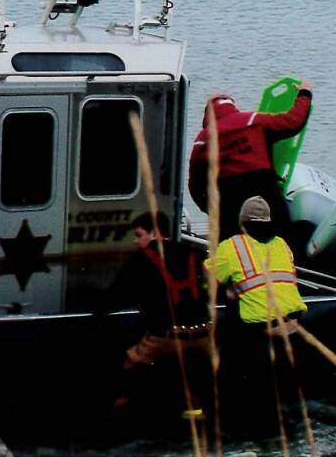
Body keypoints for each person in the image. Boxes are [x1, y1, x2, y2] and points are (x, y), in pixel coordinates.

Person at [208, 196, 309, 436]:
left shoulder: (232, 246)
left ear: (243, 223)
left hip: (261, 333)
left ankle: (235, 424)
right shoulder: (283, 244)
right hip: (295, 327)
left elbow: (207, 280)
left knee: (230, 356)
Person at [187, 81, 313, 235]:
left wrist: (209, 208)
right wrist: (304, 94)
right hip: (263, 188)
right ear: (232, 106)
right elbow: (293, 122)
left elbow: (195, 186)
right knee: (280, 238)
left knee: (230, 246)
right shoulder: (252, 120)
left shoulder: (203, 139)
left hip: (229, 198)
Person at [102, 211, 211, 371]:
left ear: (155, 232)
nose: (136, 241)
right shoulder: (196, 254)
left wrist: (98, 313)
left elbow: (117, 298)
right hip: (204, 338)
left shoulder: (139, 260)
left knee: (126, 374)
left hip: (164, 341)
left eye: (139, 235)